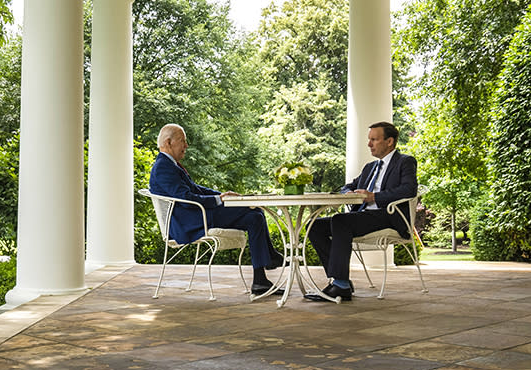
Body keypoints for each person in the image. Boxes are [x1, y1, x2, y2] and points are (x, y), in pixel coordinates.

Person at [149, 123, 284, 295]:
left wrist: (222, 196)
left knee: (255, 216)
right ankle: (270, 257)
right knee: (253, 209)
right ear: (168, 143)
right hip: (190, 222)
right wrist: (217, 200)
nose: (186, 145)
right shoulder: (163, 167)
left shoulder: (169, 164)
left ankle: (260, 280)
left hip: (196, 215)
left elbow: (195, 189)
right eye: (182, 141)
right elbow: (185, 198)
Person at [305, 121, 417, 302]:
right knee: (314, 225)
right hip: (364, 217)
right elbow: (346, 186)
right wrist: (346, 192)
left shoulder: (405, 162)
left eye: (374, 139)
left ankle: (340, 285)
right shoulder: (370, 168)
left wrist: (374, 197)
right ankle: (341, 280)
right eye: (369, 139)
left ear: (389, 141)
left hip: (389, 216)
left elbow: (408, 190)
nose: (369, 144)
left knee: (341, 221)